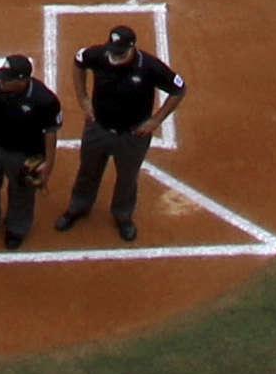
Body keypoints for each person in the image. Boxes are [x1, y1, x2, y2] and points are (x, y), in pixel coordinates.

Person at [57, 23, 183, 241]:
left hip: (132, 135)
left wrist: (155, 120)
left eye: (120, 53)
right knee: (88, 170)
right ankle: (78, 207)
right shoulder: (99, 55)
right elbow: (78, 63)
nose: (115, 57)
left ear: (132, 48)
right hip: (98, 128)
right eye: (113, 51)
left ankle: (122, 216)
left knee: (127, 177)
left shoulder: (149, 67)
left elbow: (178, 89)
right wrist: (83, 99)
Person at [0, 52, 63, 247]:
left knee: (22, 192)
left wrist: (48, 163)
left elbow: (51, 132)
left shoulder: (44, 100)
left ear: (22, 80)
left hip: (24, 152)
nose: (1, 82)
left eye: (7, 79)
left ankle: (16, 228)